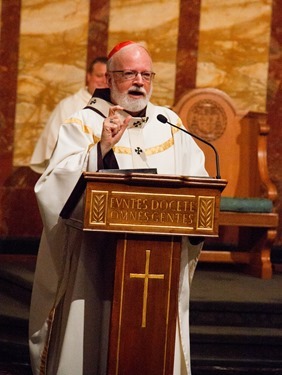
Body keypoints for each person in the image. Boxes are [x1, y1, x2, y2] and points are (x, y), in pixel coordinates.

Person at [29, 41, 208, 375]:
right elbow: (52, 186)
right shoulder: (83, 122)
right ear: (109, 79)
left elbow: (198, 182)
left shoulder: (169, 122)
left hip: (162, 258)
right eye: (129, 73)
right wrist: (100, 149)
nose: (138, 81)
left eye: (145, 74)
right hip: (94, 262)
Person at [30, 56, 108, 174]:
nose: (103, 81)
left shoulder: (118, 107)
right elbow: (53, 144)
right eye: (99, 75)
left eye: (107, 77)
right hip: (71, 174)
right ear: (88, 77)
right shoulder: (68, 106)